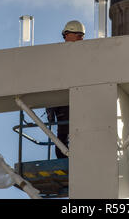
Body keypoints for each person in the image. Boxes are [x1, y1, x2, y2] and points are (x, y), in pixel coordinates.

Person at [46, 20, 85, 159]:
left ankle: (74, 153)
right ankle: (63, 154)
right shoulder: (58, 56)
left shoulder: (85, 55)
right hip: (63, 101)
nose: (81, 39)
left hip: (78, 98)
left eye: (82, 36)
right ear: (67, 35)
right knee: (64, 130)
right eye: (78, 35)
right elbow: (51, 80)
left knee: (79, 129)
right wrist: (50, 106)